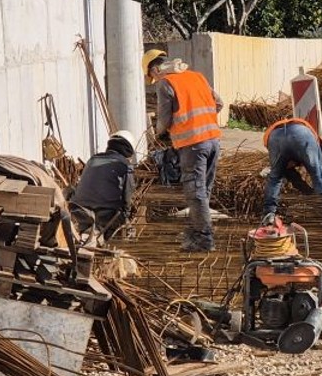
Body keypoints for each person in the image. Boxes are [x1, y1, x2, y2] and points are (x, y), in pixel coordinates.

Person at [144, 49, 224, 252]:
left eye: (151, 76)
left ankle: (204, 240)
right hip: (213, 140)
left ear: (155, 69)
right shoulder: (197, 76)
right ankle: (197, 232)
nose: (154, 80)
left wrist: (160, 134)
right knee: (203, 191)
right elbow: (219, 103)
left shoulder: (166, 83)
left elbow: (164, 119)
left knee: (195, 193)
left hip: (193, 144)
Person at [68, 130, 137, 244]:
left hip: (79, 210)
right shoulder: (125, 165)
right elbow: (127, 196)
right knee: (127, 234)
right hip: (104, 215)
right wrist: (126, 216)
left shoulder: (93, 159)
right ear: (128, 150)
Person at [261, 117, 322, 219]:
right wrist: (313, 190)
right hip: (301, 134)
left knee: (275, 178)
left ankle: (269, 214)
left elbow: (287, 172)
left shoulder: (285, 156)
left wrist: (307, 190)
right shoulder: (316, 143)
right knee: (317, 173)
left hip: (275, 137)